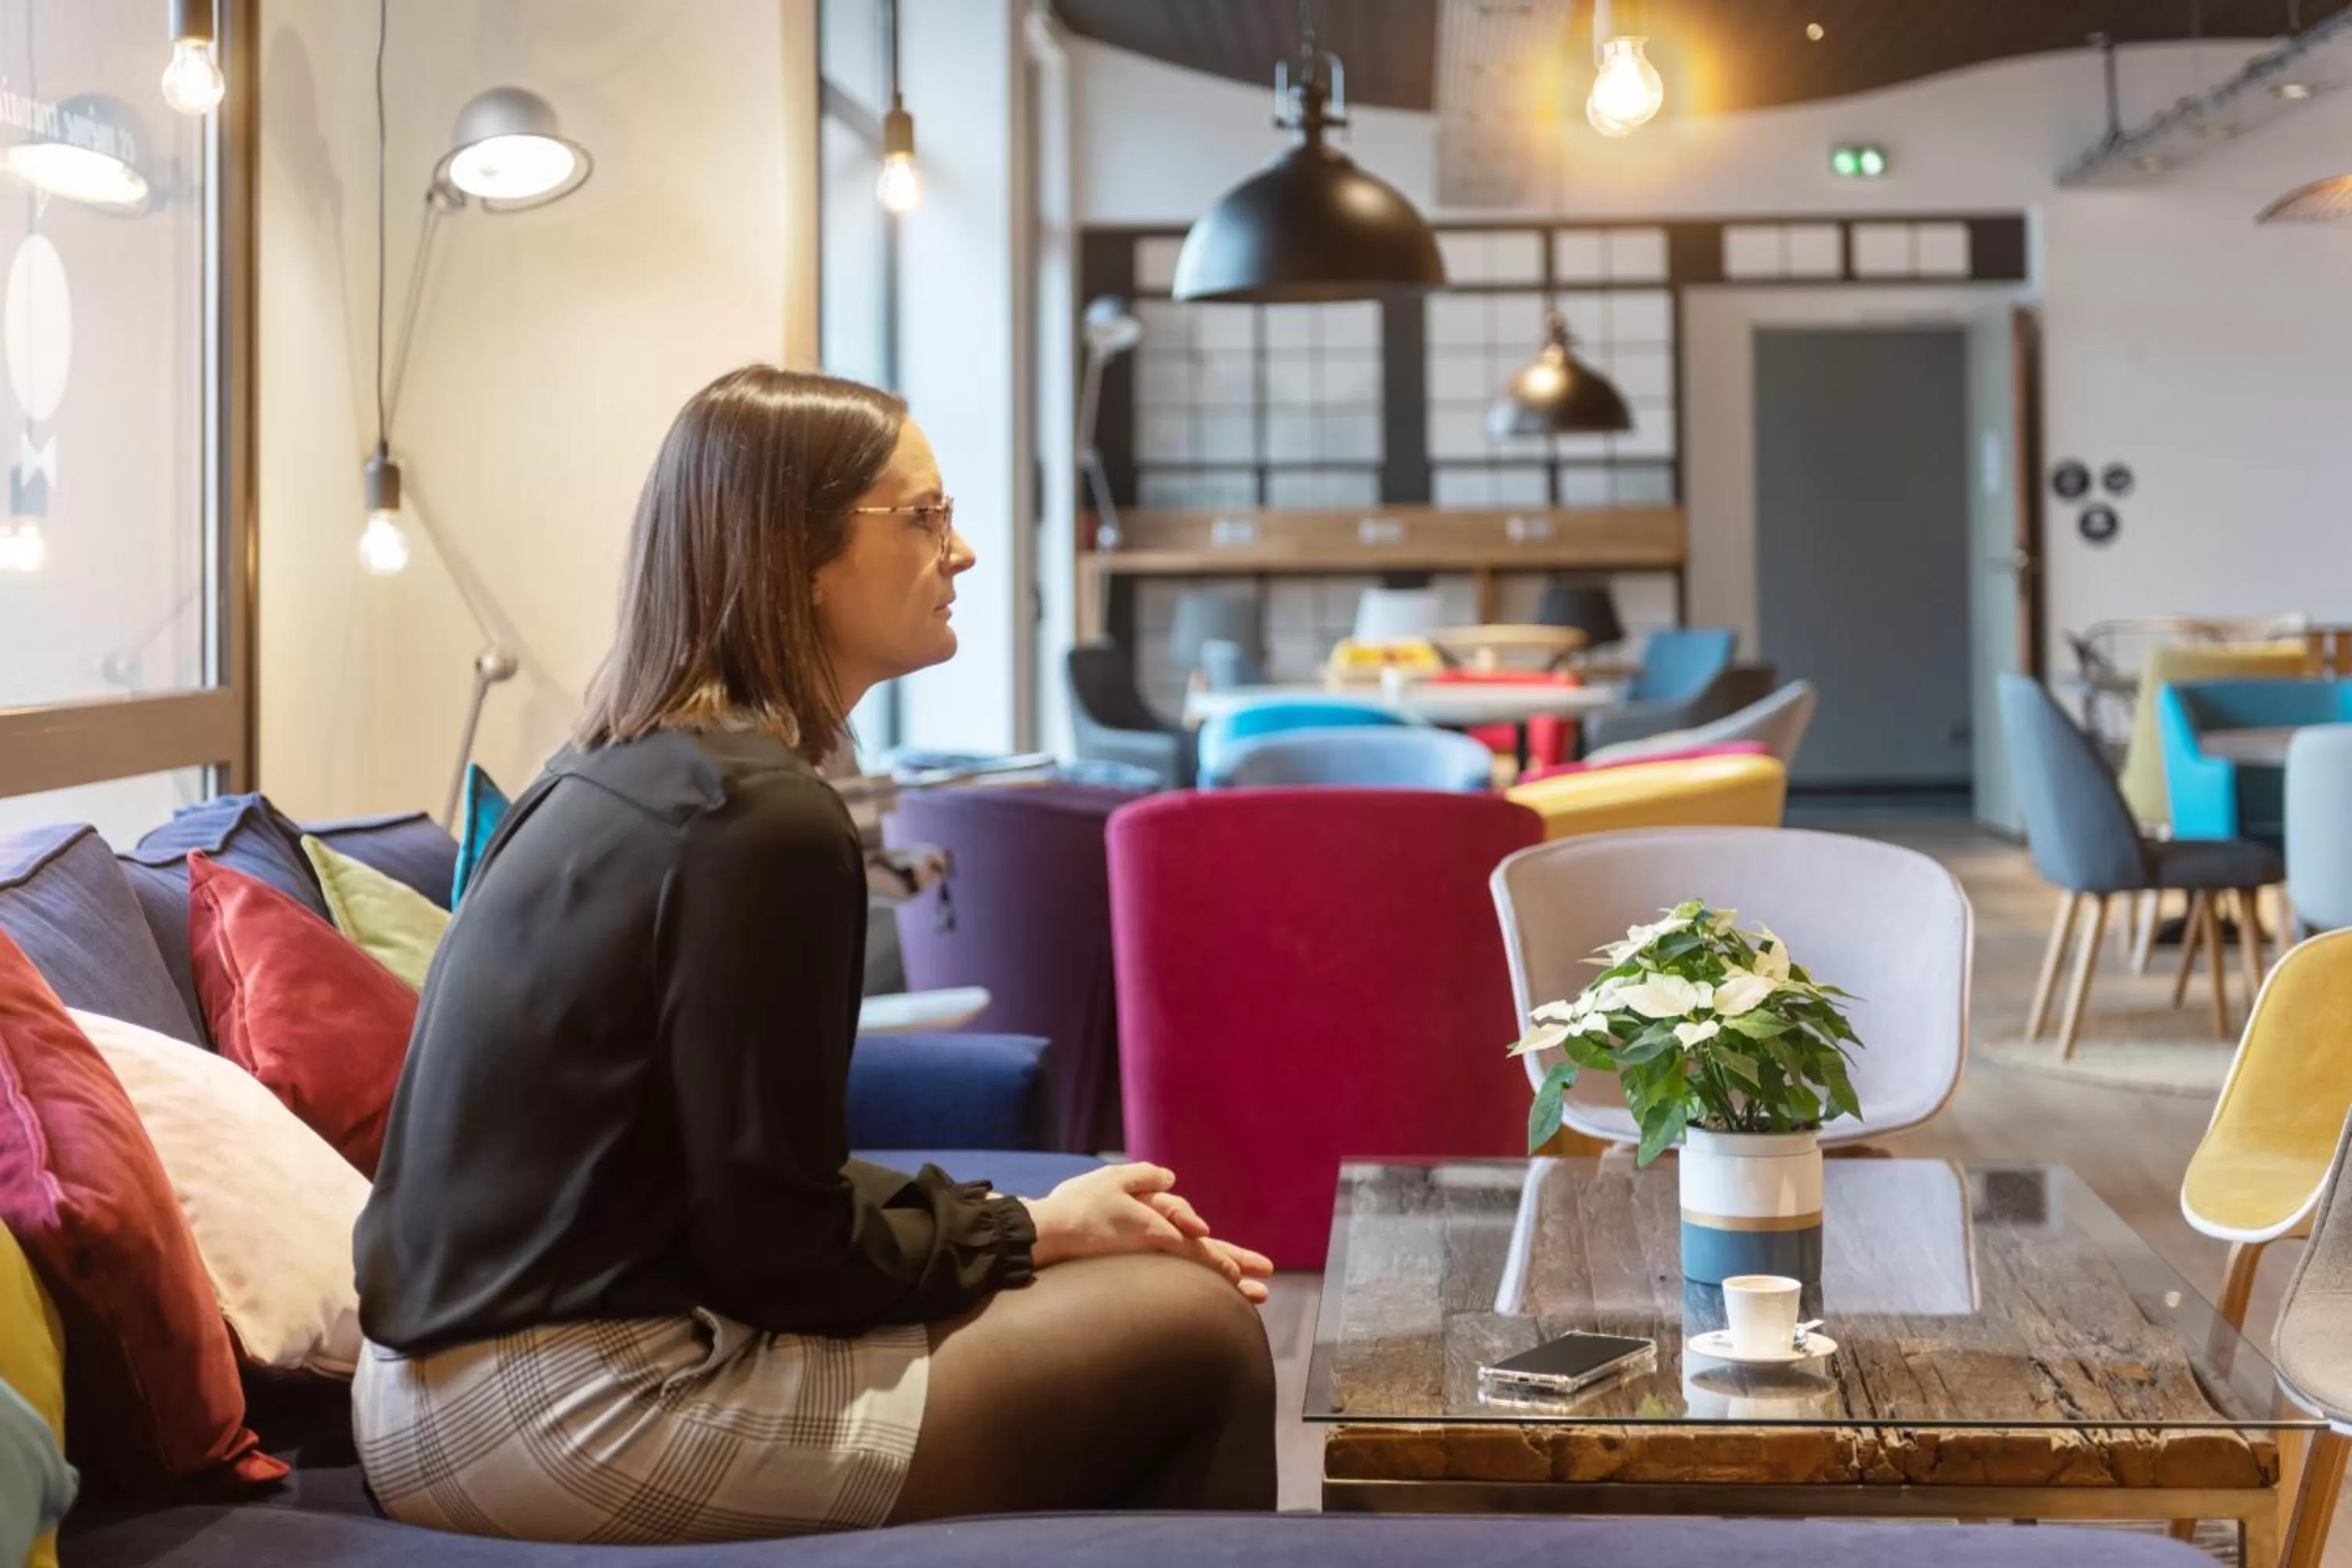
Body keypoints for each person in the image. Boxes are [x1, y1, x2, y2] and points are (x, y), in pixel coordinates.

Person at [350, 367, 1277, 1543]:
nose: (967, 553)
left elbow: (739, 1188)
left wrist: (1029, 1221)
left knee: (1110, 1283)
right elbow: (777, 1250)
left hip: (424, 1388)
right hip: (560, 1414)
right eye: (926, 517)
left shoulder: (610, 770)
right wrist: (1027, 1227)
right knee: (1196, 1327)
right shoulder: (760, 823)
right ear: (796, 554)